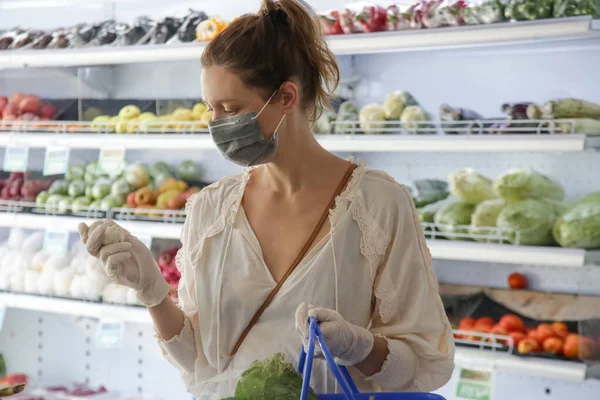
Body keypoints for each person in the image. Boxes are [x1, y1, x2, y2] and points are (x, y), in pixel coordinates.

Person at [78, 0, 454, 398]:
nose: (216, 124)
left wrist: (359, 347)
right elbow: (202, 363)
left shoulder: (377, 206)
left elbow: (421, 368)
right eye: (210, 109)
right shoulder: (211, 210)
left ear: (287, 97)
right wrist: (153, 292)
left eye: (231, 109)